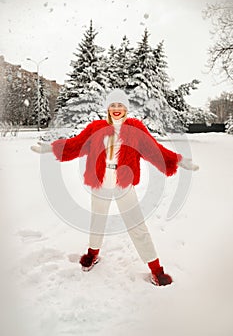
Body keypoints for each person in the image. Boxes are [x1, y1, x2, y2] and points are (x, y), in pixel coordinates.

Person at [31, 88, 199, 286]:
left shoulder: (136, 128)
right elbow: (76, 145)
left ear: (126, 108)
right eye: (113, 105)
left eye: (120, 105)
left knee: (137, 226)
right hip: (100, 182)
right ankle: (93, 254)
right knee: (97, 221)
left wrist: (178, 161)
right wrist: (51, 148)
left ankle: (156, 270)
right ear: (108, 108)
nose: (116, 109)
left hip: (124, 184)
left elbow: (154, 150)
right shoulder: (96, 128)